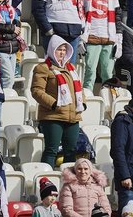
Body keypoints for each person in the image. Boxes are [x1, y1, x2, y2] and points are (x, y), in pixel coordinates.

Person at [30, 35, 83, 168]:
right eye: (59, 49)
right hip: (52, 116)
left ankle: (69, 182)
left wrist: (84, 103)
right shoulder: (43, 67)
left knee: (71, 151)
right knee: (51, 150)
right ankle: (45, 181)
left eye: (65, 50)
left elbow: (79, 89)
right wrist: (53, 104)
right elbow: (37, 90)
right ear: (52, 50)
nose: (62, 53)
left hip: (73, 116)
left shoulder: (71, 68)